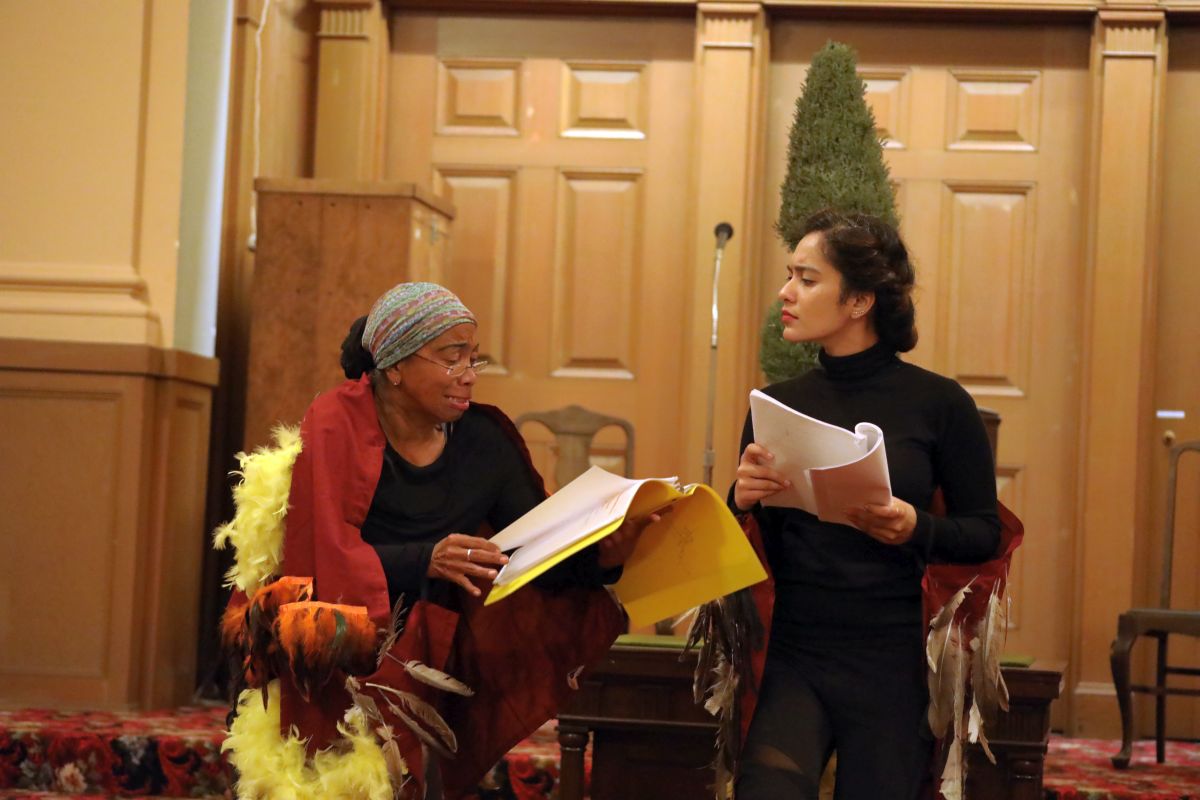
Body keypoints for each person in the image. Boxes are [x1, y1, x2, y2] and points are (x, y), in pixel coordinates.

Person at [219, 282, 649, 800]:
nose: (469, 374)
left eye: (473, 357)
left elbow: (531, 549)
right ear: (395, 367)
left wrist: (605, 558)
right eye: (451, 357)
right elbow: (320, 559)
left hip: (438, 654)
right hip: (330, 645)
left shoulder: (485, 442)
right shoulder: (336, 424)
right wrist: (427, 558)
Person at [730, 210, 1002, 800]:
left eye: (806, 279)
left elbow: (985, 533)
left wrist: (915, 526)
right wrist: (741, 500)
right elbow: (747, 551)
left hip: (892, 656)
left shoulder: (940, 403)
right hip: (797, 649)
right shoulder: (775, 405)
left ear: (858, 301)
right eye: (789, 276)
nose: (785, 293)